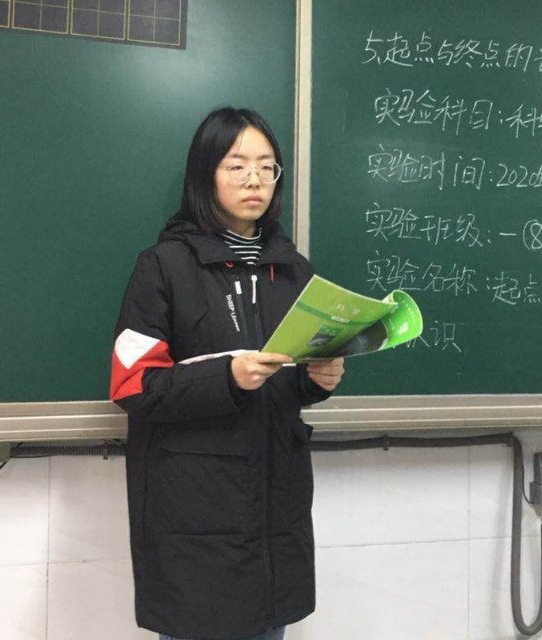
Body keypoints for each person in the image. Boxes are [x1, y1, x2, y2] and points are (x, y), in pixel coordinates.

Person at [109, 107, 344, 640]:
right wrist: (227, 378)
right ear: (205, 174)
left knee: (269, 626)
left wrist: (315, 381)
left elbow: (286, 381)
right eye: (236, 165)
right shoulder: (164, 266)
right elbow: (133, 386)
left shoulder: (293, 269)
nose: (254, 179)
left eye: (267, 166)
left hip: (276, 506)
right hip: (194, 511)